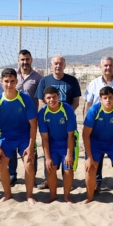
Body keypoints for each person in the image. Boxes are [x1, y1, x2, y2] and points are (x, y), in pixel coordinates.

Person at [83, 56, 113, 192]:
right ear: (100, 67)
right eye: (105, 65)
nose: (108, 67)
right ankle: (97, 183)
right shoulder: (93, 83)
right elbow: (87, 104)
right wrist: (86, 122)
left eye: (110, 65)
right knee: (94, 160)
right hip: (96, 126)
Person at [0, 68, 37, 204]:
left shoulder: (25, 99)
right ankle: (7, 194)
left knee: (29, 164)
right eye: (6, 81)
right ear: (1, 82)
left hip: (24, 136)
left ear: (16, 81)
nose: (9, 85)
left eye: (12, 81)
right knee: (2, 164)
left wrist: (31, 145)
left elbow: (33, 124)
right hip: (6, 137)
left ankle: (29, 195)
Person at [35, 55, 81, 190]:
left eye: (60, 63)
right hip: (50, 121)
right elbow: (40, 101)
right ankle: (48, 180)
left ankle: (67, 182)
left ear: (64, 65)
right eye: (55, 63)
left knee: (67, 153)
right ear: (51, 65)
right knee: (48, 148)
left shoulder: (72, 80)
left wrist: (65, 113)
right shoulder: (44, 80)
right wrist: (52, 113)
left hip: (66, 121)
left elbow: (76, 101)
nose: (58, 65)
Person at [83, 86, 113, 203]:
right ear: (100, 99)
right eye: (105, 98)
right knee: (90, 168)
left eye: (110, 97)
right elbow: (85, 135)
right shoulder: (94, 110)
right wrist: (89, 157)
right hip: (95, 141)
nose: (108, 100)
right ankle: (89, 197)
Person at [9, 49, 43, 187]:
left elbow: (41, 100)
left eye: (27, 59)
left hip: (30, 121)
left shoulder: (38, 78)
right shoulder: (12, 76)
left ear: (31, 60)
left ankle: (31, 177)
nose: (25, 62)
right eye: (22, 59)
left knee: (30, 149)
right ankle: (12, 175)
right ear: (18, 60)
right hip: (12, 120)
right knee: (11, 150)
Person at [38, 86, 78, 203]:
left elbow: (71, 135)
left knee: (68, 169)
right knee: (50, 169)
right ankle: (53, 195)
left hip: (67, 144)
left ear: (58, 97)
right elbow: (44, 138)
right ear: (45, 100)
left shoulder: (67, 109)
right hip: (52, 145)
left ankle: (66, 196)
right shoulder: (43, 113)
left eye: (54, 97)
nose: (52, 100)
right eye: (48, 98)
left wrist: (69, 154)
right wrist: (48, 158)